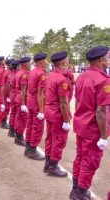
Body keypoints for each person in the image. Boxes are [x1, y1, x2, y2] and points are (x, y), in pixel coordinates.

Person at [70, 46, 110, 200]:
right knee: (90, 161)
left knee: (80, 157)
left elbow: (79, 100)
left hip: (81, 124)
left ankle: (76, 187)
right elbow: (101, 111)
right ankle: (80, 192)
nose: (109, 60)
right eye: (108, 57)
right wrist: (103, 135)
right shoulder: (103, 80)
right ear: (100, 60)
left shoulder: (82, 76)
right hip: (93, 128)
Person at [44, 51, 71, 178]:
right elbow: (64, 103)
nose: (68, 62)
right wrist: (66, 121)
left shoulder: (50, 75)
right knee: (59, 140)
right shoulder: (61, 79)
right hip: (57, 114)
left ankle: (48, 163)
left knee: (50, 138)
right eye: (67, 60)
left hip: (49, 111)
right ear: (61, 62)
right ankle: (53, 167)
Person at [24, 53, 48, 160]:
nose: (47, 62)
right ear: (41, 62)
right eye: (45, 60)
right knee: (37, 127)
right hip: (37, 103)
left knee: (30, 125)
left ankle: (28, 149)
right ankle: (32, 151)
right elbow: (40, 93)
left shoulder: (32, 71)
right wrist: (42, 110)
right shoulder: (42, 74)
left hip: (30, 101)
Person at [14, 56, 32, 146]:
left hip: (19, 97)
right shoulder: (24, 74)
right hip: (22, 98)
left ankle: (18, 136)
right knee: (22, 119)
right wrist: (23, 103)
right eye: (29, 63)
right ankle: (19, 138)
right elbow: (23, 90)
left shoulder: (19, 72)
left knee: (19, 118)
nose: (30, 64)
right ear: (25, 64)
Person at [7, 60, 20, 137]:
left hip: (12, 94)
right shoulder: (18, 74)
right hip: (16, 94)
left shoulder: (11, 74)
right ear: (18, 66)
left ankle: (11, 130)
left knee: (13, 113)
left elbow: (8, 85)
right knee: (17, 114)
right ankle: (13, 130)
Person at [2, 59, 14, 131]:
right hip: (7, 93)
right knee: (6, 108)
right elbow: (8, 85)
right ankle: (3, 122)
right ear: (8, 65)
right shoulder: (9, 73)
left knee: (6, 108)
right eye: (11, 64)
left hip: (6, 93)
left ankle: (3, 121)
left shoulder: (7, 72)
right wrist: (8, 96)